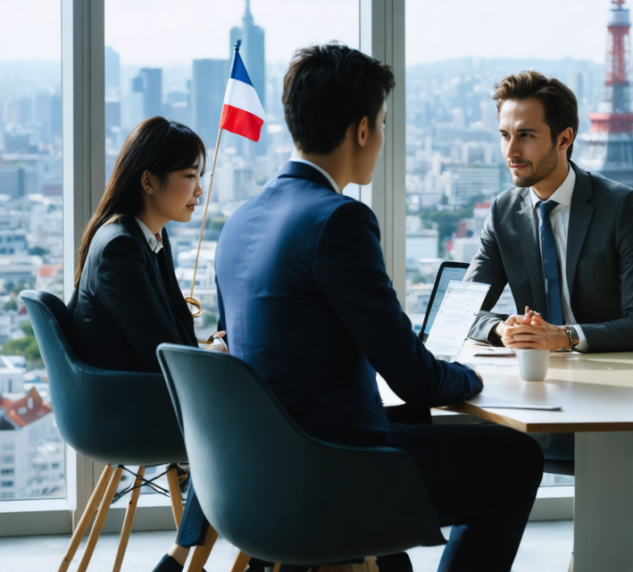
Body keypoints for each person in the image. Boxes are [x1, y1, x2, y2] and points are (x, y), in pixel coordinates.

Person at [214, 42, 542, 572]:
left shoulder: (240, 221)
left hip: (256, 475)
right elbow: (415, 377)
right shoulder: (337, 220)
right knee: (516, 458)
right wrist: (470, 378)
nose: (383, 138)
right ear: (363, 130)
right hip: (335, 471)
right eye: (383, 124)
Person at [463, 70, 633, 461]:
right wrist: (504, 329)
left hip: (612, 388)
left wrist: (564, 337)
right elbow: (462, 311)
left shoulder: (620, 206)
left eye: (526, 135)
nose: (511, 151)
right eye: (504, 135)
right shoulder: (504, 211)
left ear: (564, 139)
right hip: (536, 385)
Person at [67, 116, 227, 572]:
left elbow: (170, 335)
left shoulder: (148, 237)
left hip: (137, 393)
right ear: (149, 181)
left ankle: (182, 558)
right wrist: (212, 356)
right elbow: (164, 353)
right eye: (190, 176)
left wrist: (206, 347)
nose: (200, 191)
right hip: (124, 410)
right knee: (252, 427)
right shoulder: (119, 247)